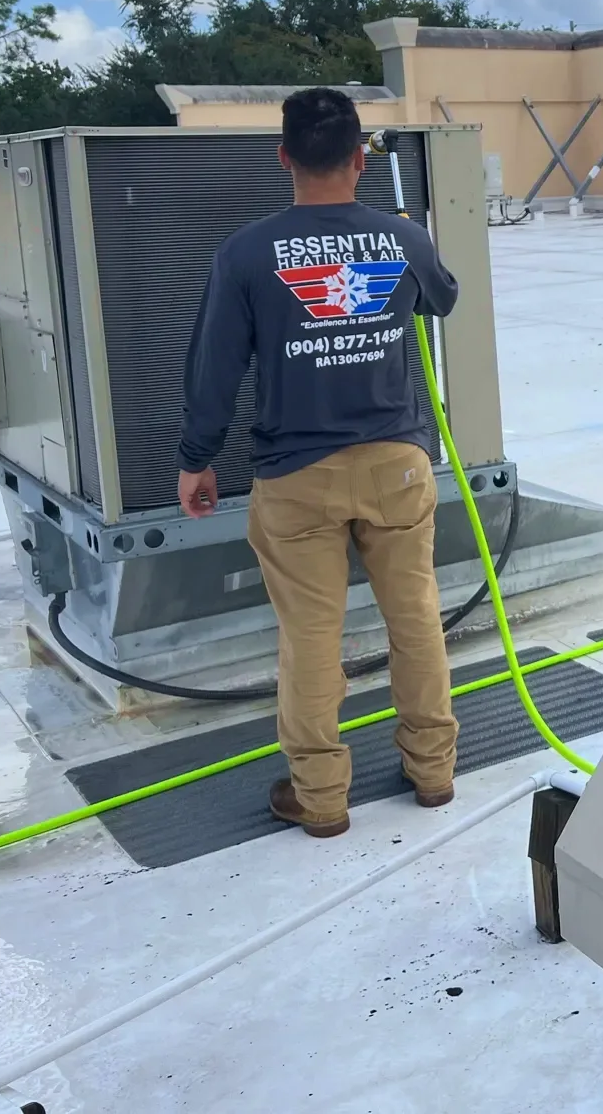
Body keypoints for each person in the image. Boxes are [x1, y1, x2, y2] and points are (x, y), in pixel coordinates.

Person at [176, 87, 461, 839]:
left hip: (297, 476)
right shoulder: (402, 238)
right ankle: (433, 773)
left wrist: (196, 459)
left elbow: (215, 369)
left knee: (309, 637)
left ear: (284, 158)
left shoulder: (245, 253)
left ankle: (321, 798)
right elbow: (443, 300)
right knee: (416, 619)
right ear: (360, 159)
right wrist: (405, 241)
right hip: (397, 465)